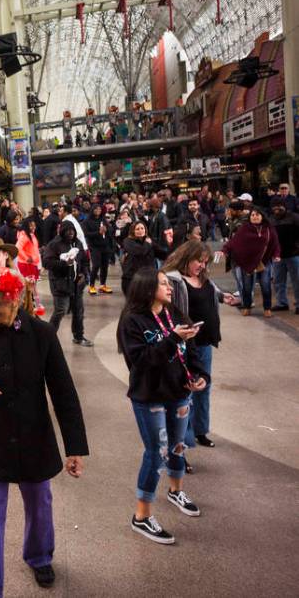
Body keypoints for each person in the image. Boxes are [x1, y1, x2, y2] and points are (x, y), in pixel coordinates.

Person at [0, 267, 88, 596]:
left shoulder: (41, 334)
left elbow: (63, 391)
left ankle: (39, 556)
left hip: (33, 434)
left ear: (15, 302)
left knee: (40, 503)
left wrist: (75, 447)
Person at [117, 268, 209, 544]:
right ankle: (141, 516)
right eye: (164, 284)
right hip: (149, 397)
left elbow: (190, 353)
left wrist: (199, 376)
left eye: (169, 284)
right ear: (147, 288)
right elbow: (142, 362)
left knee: (178, 444)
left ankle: (175, 490)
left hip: (180, 393)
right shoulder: (132, 322)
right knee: (156, 452)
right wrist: (173, 339)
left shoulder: (176, 314)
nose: (170, 288)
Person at [162, 241, 233, 458]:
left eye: (204, 262)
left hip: (205, 341)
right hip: (184, 344)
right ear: (187, 258)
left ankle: (201, 430)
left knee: (204, 387)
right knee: (186, 392)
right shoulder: (173, 280)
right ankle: (183, 441)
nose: (202, 266)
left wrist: (224, 297)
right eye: (198, 261)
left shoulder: (203, 278)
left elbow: (213, 290)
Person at [223, 208, 280, 317]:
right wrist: (224, 250)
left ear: (262, 216)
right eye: (252, 215)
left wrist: (276, 255)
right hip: (247, 262)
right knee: (247, 286)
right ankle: (247, 307)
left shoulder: (268, 228)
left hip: (264, 262)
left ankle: (267, 308)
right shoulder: (245, 228)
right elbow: (233, 242)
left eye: (257, 215)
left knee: (266, 285)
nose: (255, 217)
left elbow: (276, 243)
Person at [43, 222, 93, 346]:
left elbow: (85, 261)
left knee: (78, 310)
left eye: (72, 230)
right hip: (60, 283)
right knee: (61, 310)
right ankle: (47, 339)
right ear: (62, 231)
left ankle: (79, 336)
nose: (70, 232)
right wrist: (65, 263)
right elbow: (47, 263)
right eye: (68, 230)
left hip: (76, 284)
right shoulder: (54, 244)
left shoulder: (78, 243)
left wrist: (84, 274)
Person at [269, 198, 299, 313]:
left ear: (285, 206)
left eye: (279, 205)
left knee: (297, 280)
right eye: (274, 206)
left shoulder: (294, 217)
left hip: (294, 254)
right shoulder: (271, 220)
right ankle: (282, 303)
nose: (276, 208)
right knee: (278, 281)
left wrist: (297, 247)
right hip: (278, 256)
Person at [81, 205, 113, 294]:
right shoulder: (87, 221)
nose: (98, 210)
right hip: (94, 247)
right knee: (96, 265)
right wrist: (98, 233)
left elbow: (110, 229)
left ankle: (103, 285)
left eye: (99, 209)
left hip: (105, 246)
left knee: (105, 266)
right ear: (92, 210)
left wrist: (107, 229)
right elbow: (86, 234)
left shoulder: (103, 219)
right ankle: (91, 286)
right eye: (96, 209)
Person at [15, 219, 44, 314]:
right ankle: (31, 305)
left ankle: (35, 304)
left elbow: (33, 249)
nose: (33, 227)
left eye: (34, 225)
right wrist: (26, 258)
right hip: (26, 264)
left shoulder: (30, 235)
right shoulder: (24, 236)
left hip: (32, 264)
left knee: (33, 285)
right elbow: (17, 248)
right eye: (31, 225)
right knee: (29, 286)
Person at [120, 221, 157, 296]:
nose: (140, 231)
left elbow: (162, 253)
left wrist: (170, 243)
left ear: (145, 229)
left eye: (142, 228)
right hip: (131, 280)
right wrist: (148, 244)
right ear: (133, 231)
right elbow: (139, 251)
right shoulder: (128, 241)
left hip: (147, 279)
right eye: (137, 229)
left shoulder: (149, 241)